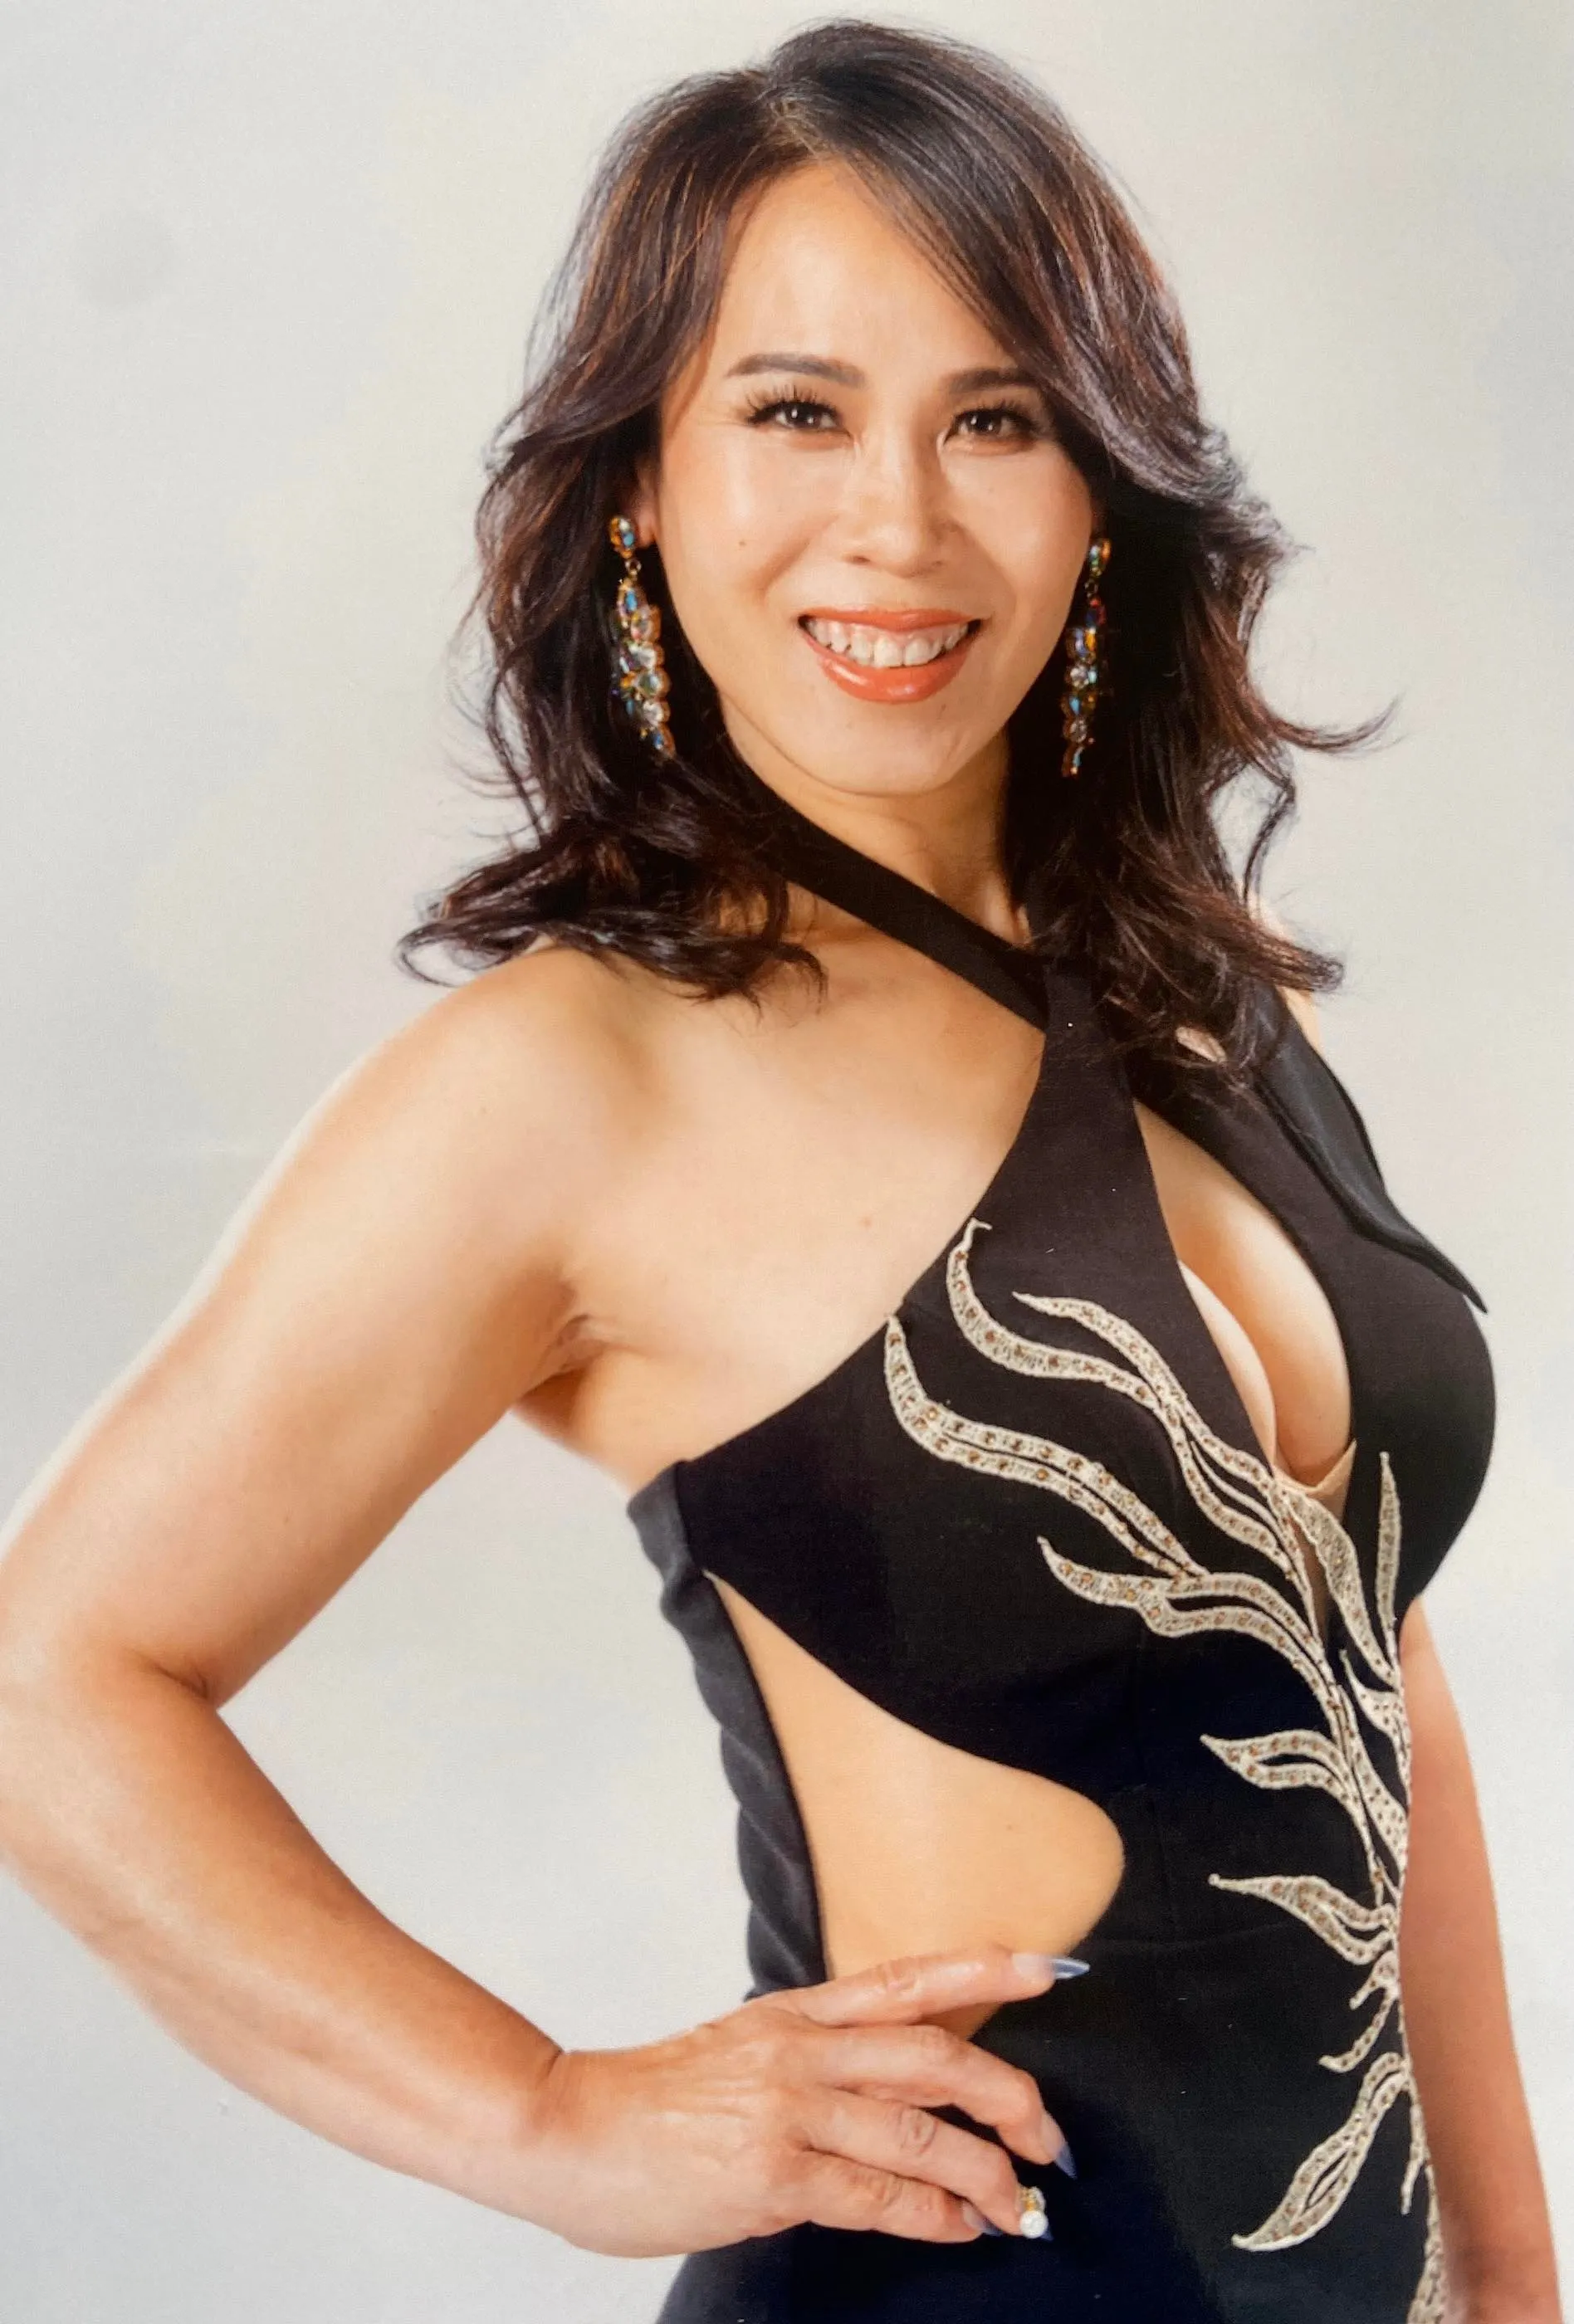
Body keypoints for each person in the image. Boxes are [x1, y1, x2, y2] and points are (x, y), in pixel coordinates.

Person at [0, 19, 1559, 2323]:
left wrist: (1511, 2274)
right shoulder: (572, 1083)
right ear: (643, 474)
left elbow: (1361, 1660)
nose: (898, 526)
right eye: (796, 411)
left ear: (1103, 489)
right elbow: (54, 1679)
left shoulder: (1218, 1001)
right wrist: (546, 2118)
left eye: (996, 420)